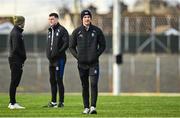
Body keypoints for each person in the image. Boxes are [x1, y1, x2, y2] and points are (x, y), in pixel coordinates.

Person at [69, 9, 106, 114]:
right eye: (85, 17)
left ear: (91, 18)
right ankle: (86, 107)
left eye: (88, 17)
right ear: (82, 19)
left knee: (93, 84)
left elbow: (103, 45)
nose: (87, 19)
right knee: (85, 85)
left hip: (94, 64)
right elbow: (71, 47)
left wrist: (96, 55)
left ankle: (93, 107)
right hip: (82, 64)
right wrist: (78, 57)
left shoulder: (97, 31)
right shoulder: (77, 31)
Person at [45, 13, 69, 108]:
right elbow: (49, 45)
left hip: (60, 59)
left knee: (59, 80)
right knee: (52, 80)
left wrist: (58, 52)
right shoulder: (50, 31)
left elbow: (66, 44)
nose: (51, 20)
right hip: (51, 60)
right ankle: (53, 102)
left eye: (52, 19)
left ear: (57, 19)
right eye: (49, 19)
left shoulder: (62, 30)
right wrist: (49, 54)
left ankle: (61, 102)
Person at [8, 16, 26, 109]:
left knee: (15, 81)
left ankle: (12, 102)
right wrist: (23, 56)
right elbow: (16, 49)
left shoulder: (17, 32)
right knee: (14, 81)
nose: (24, 23)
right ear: (21, 22)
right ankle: (12, 103)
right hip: (16, 60)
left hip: (16, 60)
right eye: (24, 22)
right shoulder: (16, 33)